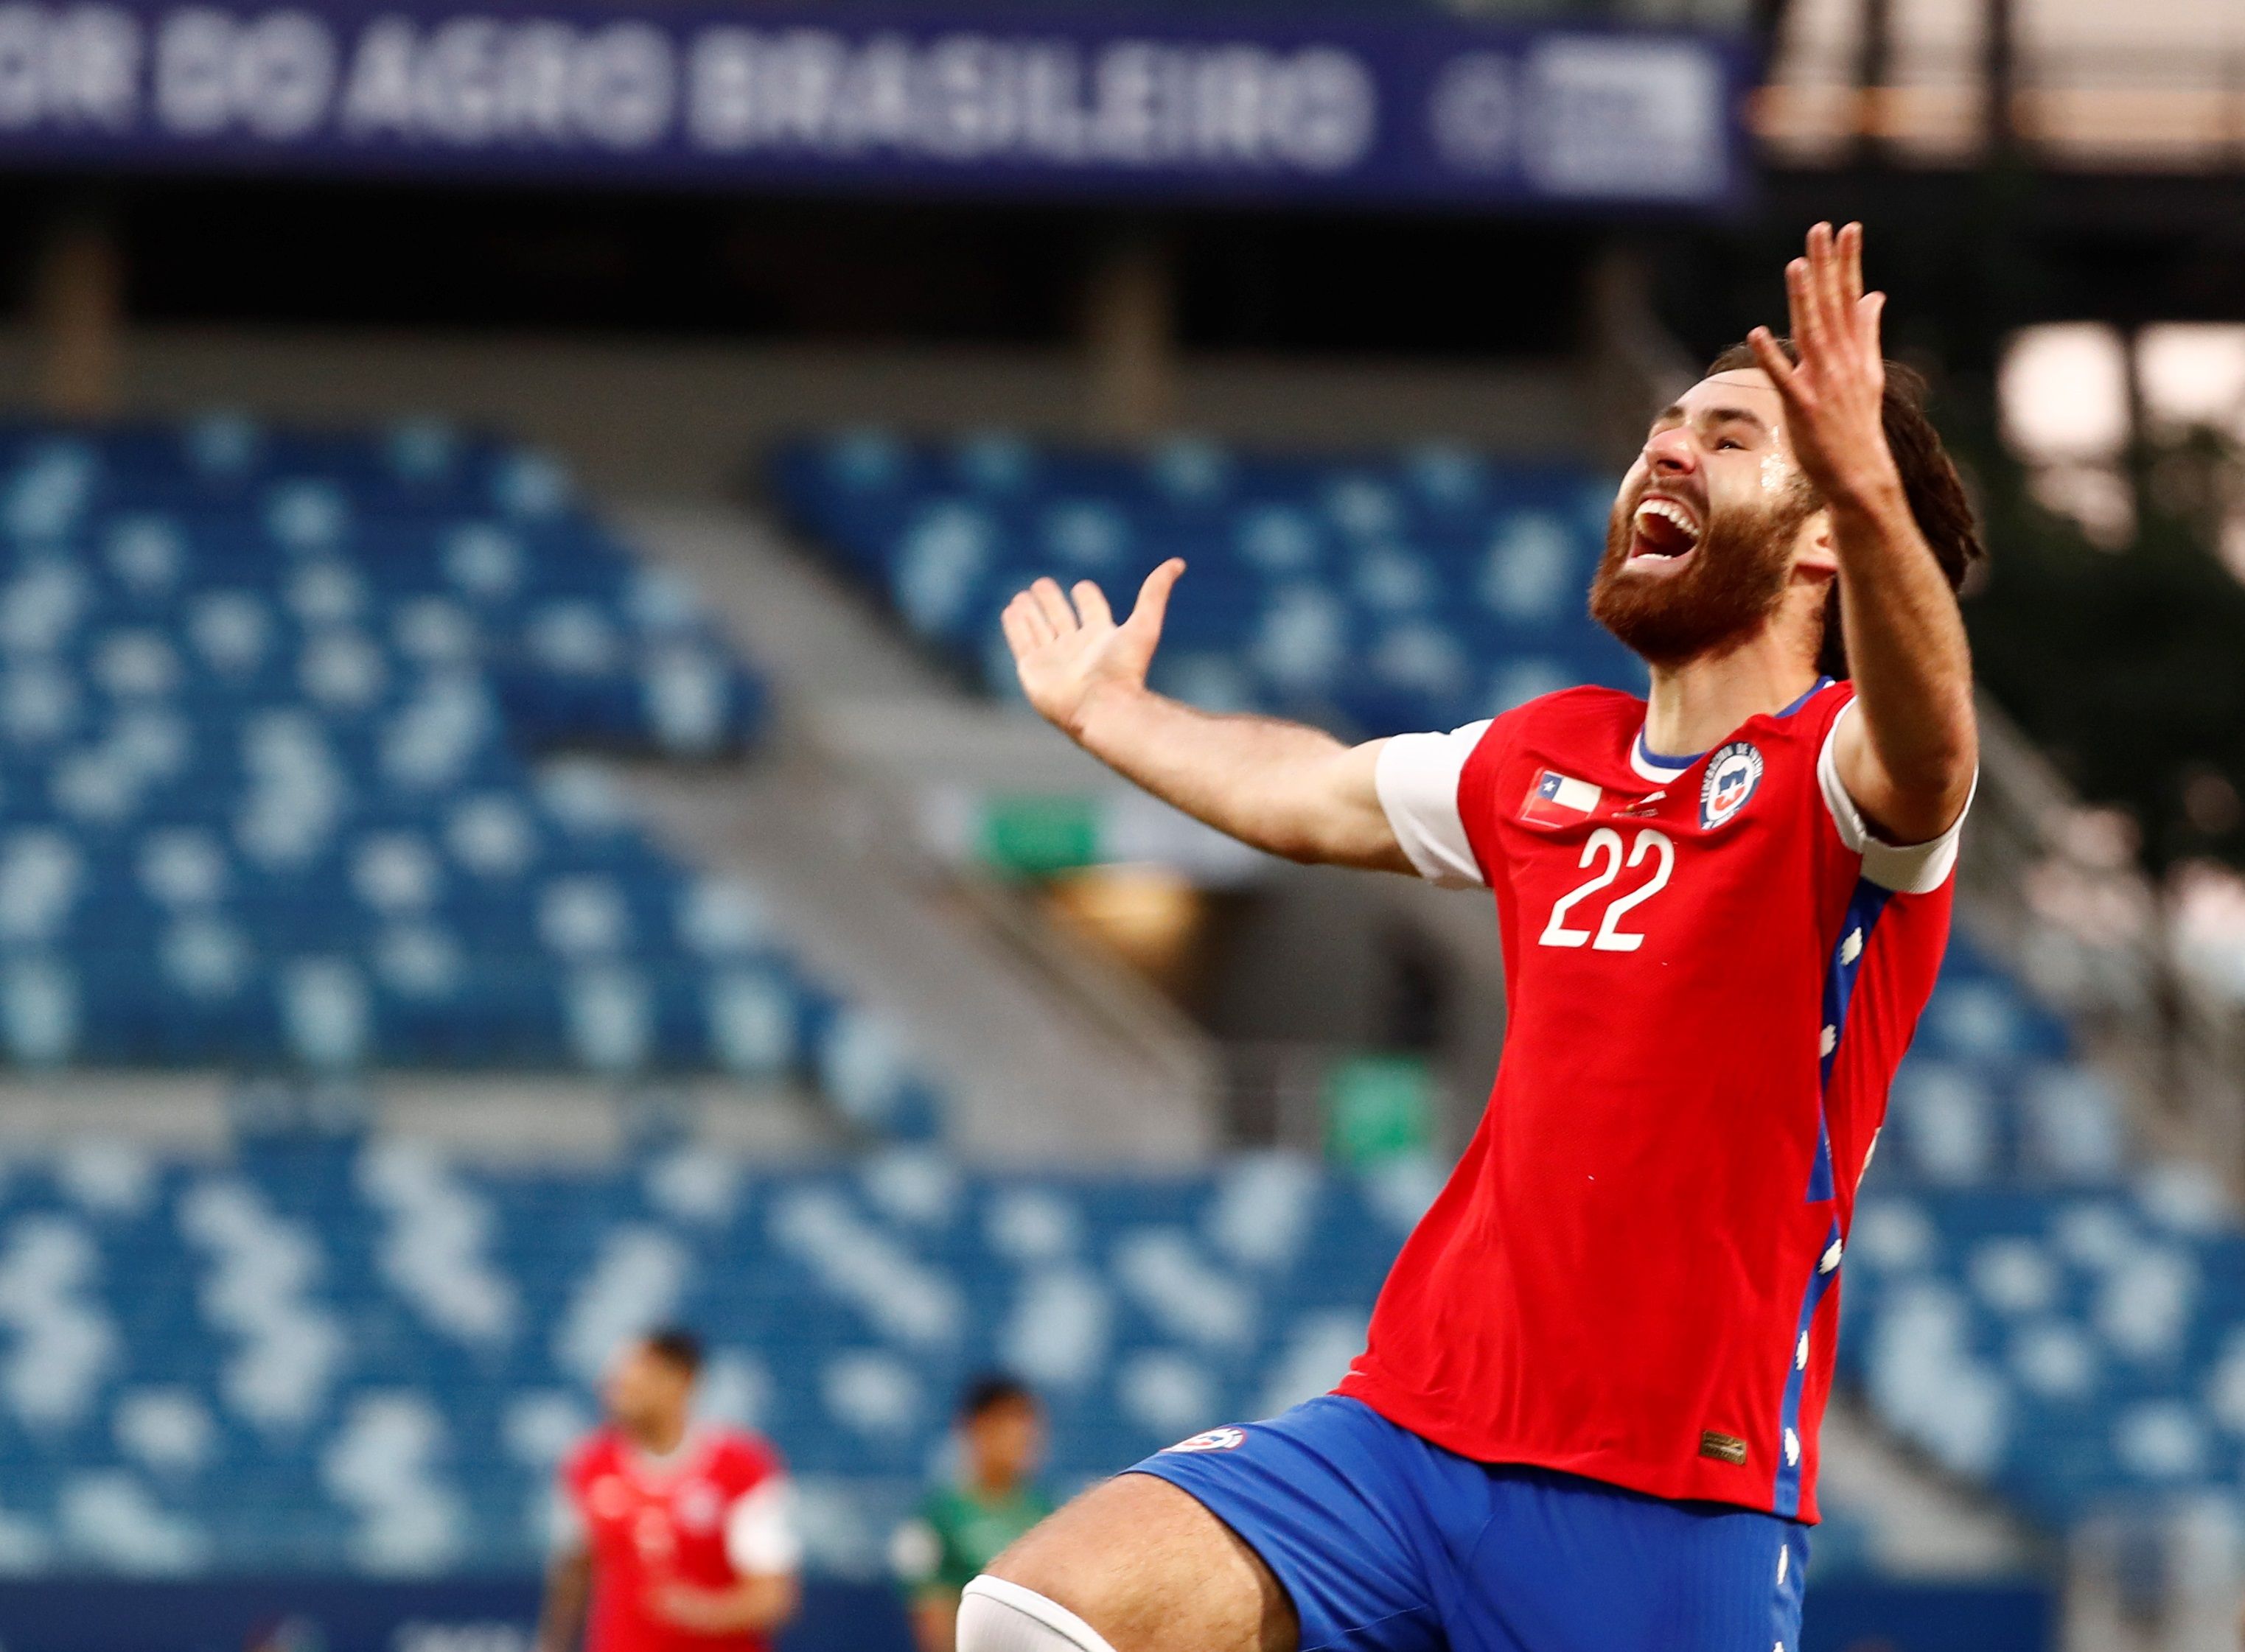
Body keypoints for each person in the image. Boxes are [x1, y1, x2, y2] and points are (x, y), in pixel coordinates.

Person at [965, 223, 1982, 1652]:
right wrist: (1109, 712)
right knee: (1027, 1613)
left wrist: (1870, 484)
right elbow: (1301, 792)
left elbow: (1933, 749)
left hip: (1662, 1499)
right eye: (1661, 427)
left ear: (1824, 536)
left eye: (1733, 433)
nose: (1667, 449)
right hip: (1401, 1433)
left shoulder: (1837, 776)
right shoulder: (1542, 756)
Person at [535, 1329, 801, 1652]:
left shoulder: (742, 1469)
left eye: (632, 1381)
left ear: (680, 1381)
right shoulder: (588, 1467)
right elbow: (574, 1570)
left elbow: (773, 1597)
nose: (615, 1393)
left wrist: (706, 1613)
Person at [893, 1376, 1057, 1652]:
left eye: (1029, 1424)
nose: (1024, 1436)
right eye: (1010, 1422)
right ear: (976, 1427)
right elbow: (931, 1616)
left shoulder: (1047, 1515)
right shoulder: (938, 1519)